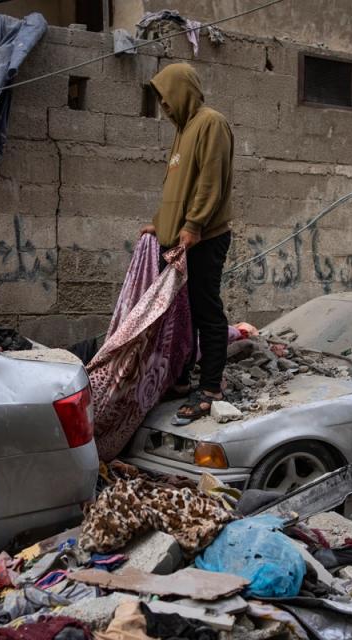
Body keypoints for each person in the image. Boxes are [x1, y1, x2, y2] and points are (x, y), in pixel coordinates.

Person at [138, 62, 234, 424]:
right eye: (159, 100)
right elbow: (176, 192)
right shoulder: (183, 131)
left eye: (166, 97)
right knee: (180, 314)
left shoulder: (211, 123)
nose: (163, 106)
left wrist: (193, 225)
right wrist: (160, 225)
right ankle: (180, 380)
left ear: (183, 90)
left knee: (205, 309)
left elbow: (210, 181)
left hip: (204, 238)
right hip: (180, 238)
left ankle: (211, 388)